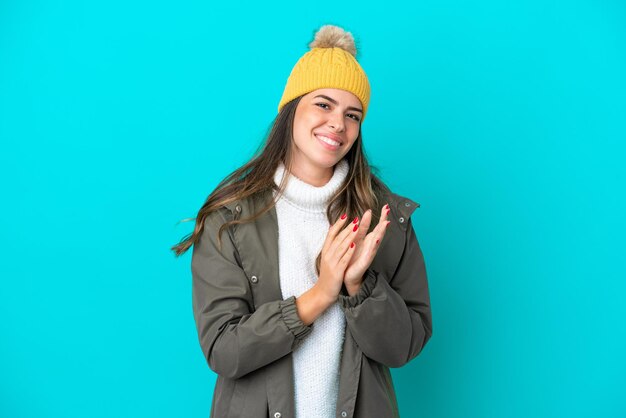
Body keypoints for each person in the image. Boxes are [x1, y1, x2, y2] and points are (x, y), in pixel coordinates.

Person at [172, 24, 433, 418]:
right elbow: (223, 351)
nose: (337, 125)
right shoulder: (230, 219)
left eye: (352, 115)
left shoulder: (384, 220)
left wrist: (360, 286)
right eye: (323, 105)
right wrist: (320, 295)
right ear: (292, 108)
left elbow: (403, 347)